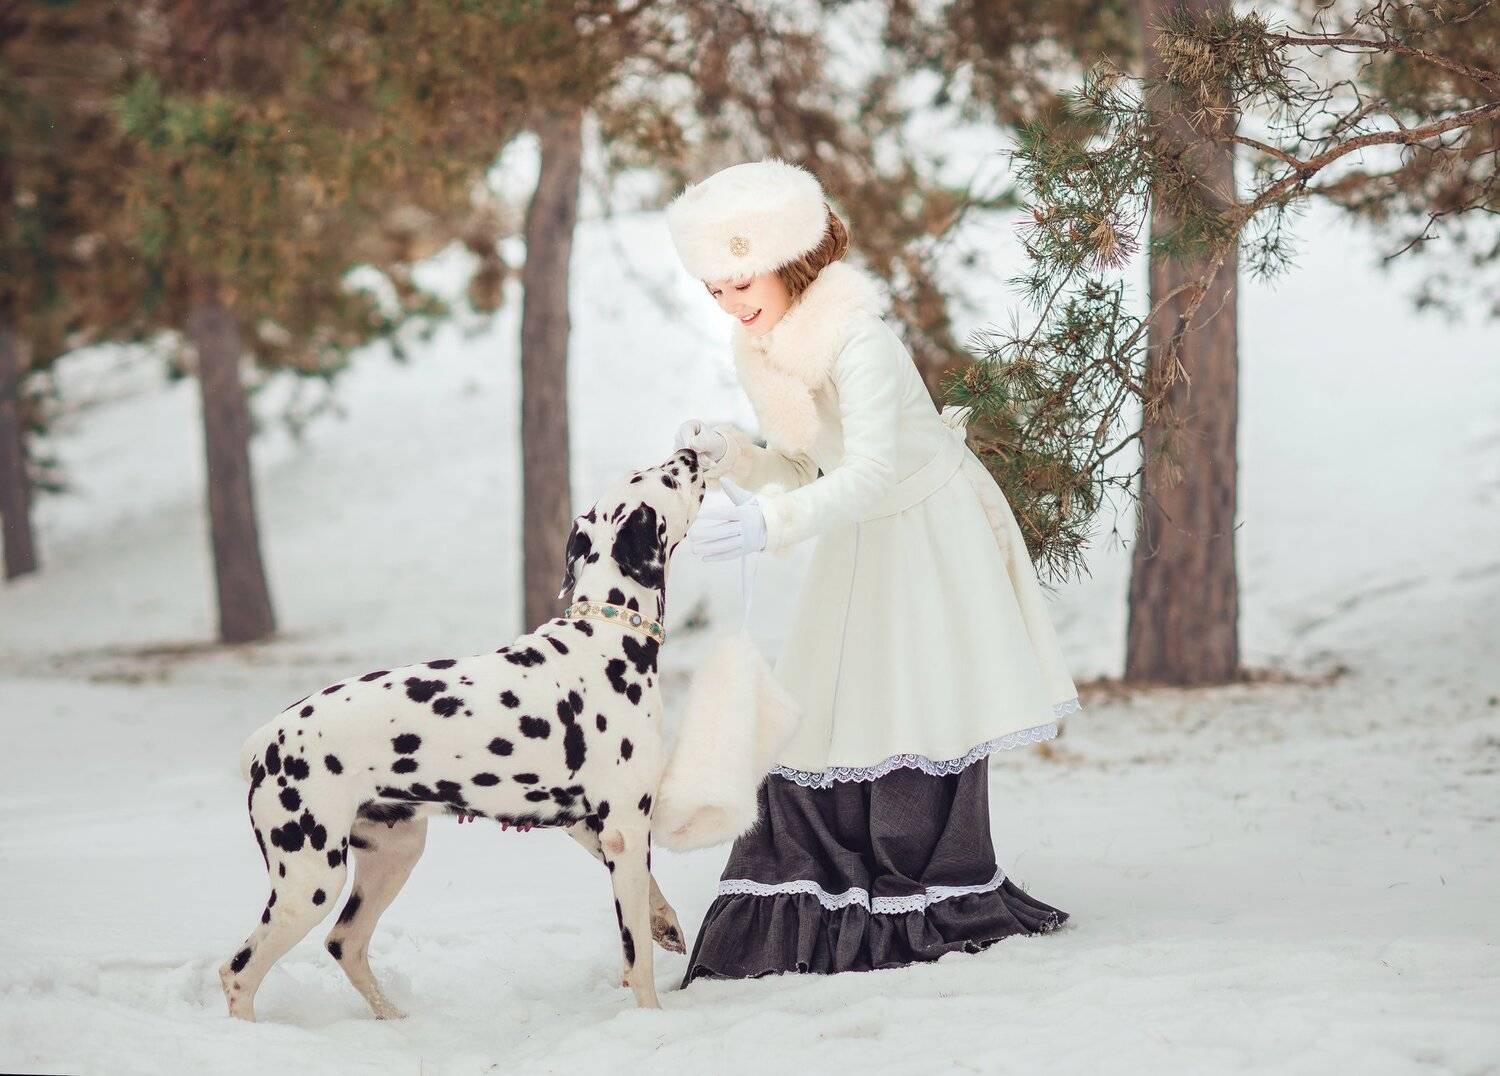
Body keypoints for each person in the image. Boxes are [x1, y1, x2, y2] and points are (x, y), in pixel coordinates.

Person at [665, 157, 1080, 982]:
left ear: (789, 261)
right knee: (823, 702)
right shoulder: (767, 347)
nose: (732, 303)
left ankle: (921, 881)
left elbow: (872, 472)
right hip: (863, 525)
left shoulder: (860, 339)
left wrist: (768, 524)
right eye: (715, 290)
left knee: (913, 700)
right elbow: (807, 466)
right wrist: (735, 458)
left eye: (742, 282)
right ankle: (818, 880)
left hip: (927, 528)